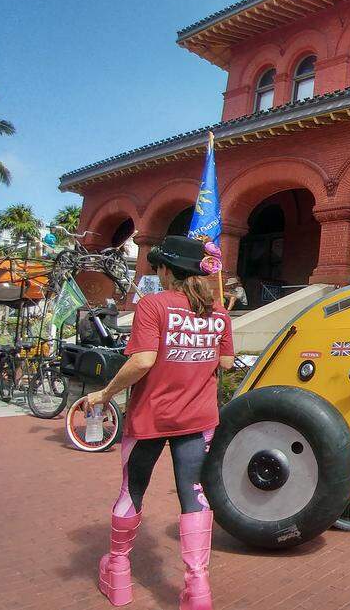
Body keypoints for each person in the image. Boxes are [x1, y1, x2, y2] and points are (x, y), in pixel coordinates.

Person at [85, 236, 233, 609]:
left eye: (158, 267)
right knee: (193, 493)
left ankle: (118, 572)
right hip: (198, 418)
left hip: (150, 416)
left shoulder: (154, 305)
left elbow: (142, 361)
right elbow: (227, 363)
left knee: (132, 490)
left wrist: (106, 393)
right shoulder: (219, 313)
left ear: (167, 270)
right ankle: (198, 588)